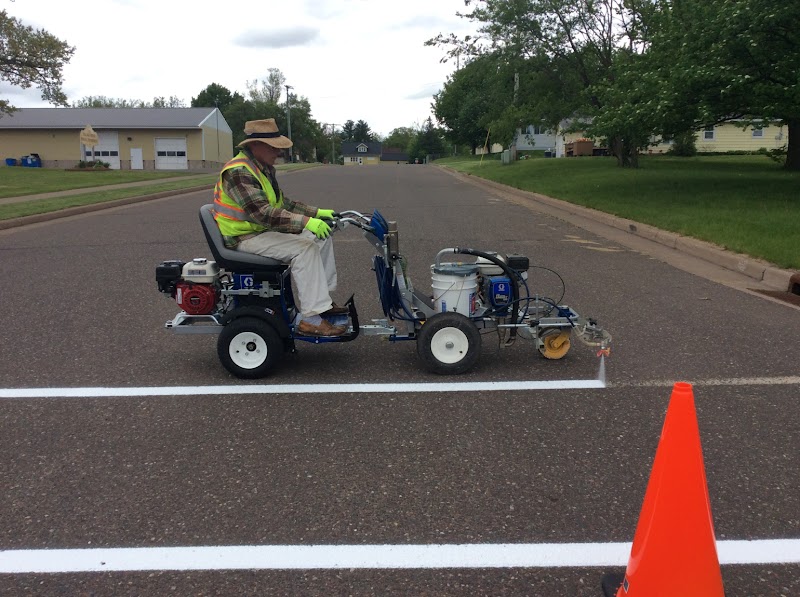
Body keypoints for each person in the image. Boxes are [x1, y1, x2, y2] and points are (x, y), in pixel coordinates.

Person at [212, 118, 347, 337]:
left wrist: (317, 213)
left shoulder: (262, 168)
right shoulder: (239, 172)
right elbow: (263, 214)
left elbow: (284, 204)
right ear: (255, 145)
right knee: (305, 248)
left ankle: (323, 303)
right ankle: (311, 320)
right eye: (274, 147)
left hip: (259, 231)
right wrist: (305, 222)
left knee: (321, 236)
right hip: (244, 237)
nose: (278, 153)